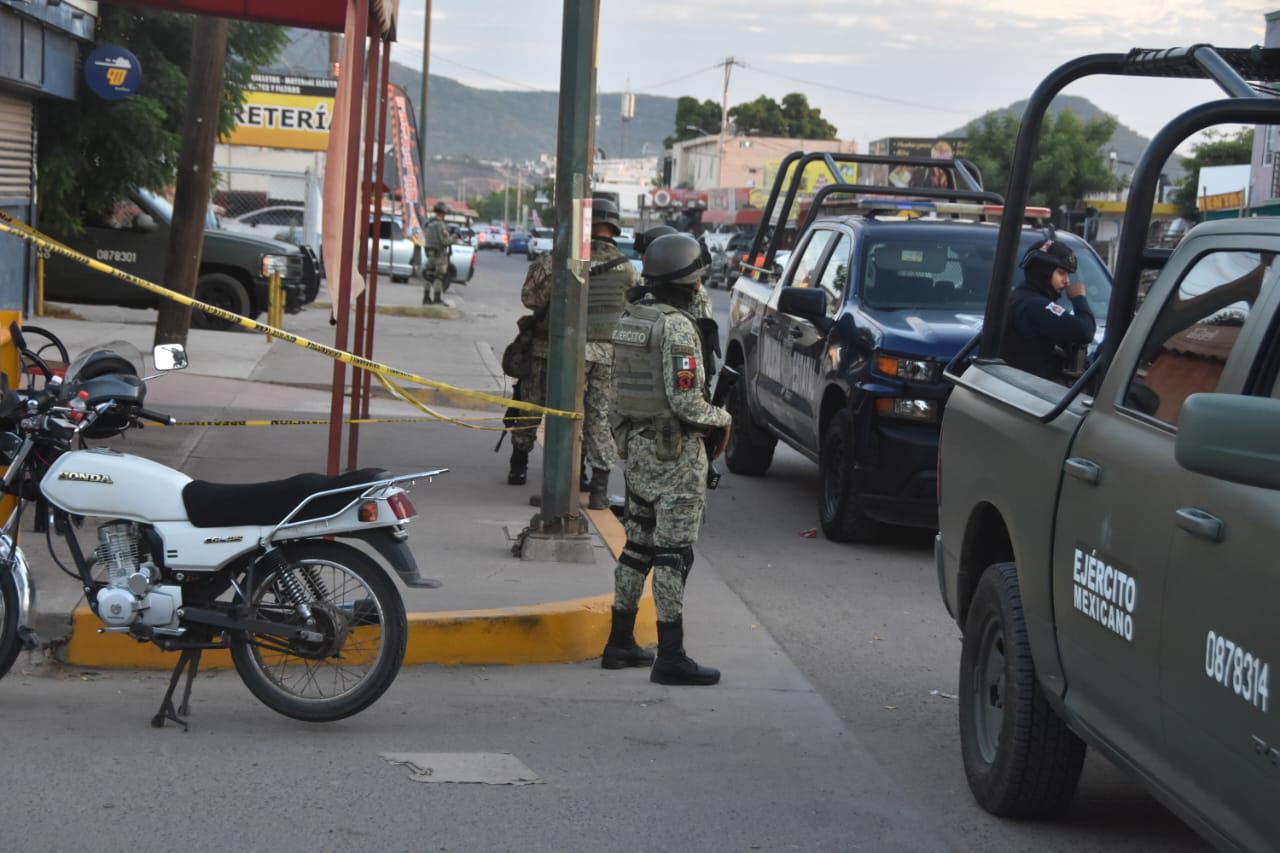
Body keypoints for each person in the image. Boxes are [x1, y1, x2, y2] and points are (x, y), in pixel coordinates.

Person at [602, 233, 731, 686]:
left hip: (637, 448)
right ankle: (671, 656)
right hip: (674, 451)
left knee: (637, 546)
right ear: (690, 277)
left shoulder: (632, 317)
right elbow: (687, 402)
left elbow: (616, 394)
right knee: (674, 554)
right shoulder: (676, 327)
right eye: (698, 277)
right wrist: (724, 416)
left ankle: (619, 641)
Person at [581, 197, 640, 508]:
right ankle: (599, 491)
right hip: (609, 352)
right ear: (614, 227)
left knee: (568, 416)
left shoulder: (574, 260)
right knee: (601, 418)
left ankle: (571, 478)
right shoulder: (627, 268)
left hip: (574, 351)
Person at [1001, 234, 1095, 381]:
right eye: (1061, 273)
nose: (1067, 282)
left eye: (1068, 274)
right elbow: (1084, 331)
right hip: (1027, 391)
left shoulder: (1020, 298)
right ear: (1043, 272)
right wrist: (1079, 299)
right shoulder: (1033, 305)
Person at [422, 202, 452, 305]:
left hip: (429, 253)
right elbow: (444, 241)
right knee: (438, 276)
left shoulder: (428, 223)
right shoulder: (440, 225)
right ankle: (437, 298)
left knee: (428, 275)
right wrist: (454, 238)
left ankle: (426, 298)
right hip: (439, 254)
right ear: (442, 212)